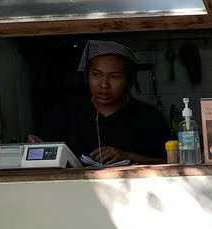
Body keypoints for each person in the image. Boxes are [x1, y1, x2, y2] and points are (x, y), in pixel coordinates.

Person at [35, 40, 171, 165]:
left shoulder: (149, 117)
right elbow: (47, 160)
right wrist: (37, 148)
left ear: (128, 80)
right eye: (96, 74)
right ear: (87, 75)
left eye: (114, 77)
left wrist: (127, 156)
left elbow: (170, 161)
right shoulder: (65, 114)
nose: (104, 84)